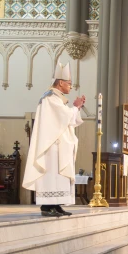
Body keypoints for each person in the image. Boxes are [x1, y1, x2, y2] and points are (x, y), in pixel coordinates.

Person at [23, 62, 86, 217]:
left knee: (58, 176)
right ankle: (46, 206)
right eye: (69, 83)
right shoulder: (50, 97)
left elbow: (69, 119)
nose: (71, 86)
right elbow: (63, 117)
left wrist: (75, 108)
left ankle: (56, 204)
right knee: (52, 175)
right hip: (51, 146)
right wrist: (76, 107)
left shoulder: (58, 99)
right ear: (61, 83)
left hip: (59, 145)